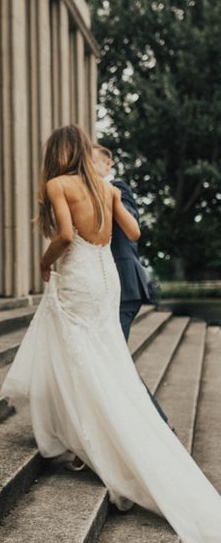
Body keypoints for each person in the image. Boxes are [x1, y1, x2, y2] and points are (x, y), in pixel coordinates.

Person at [1, 125, 221, 543]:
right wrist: (111, 206)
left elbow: (64, 236)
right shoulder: (106, 186)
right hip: (106, 277)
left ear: (56, 153)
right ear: (84, 150)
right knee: (105, 358)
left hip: (78, 271)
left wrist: (45, 265)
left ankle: (95, 439)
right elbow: (134, 234)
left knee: (83, 360)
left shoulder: (57, 184)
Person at [91, 144, 169, 424]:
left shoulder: (118, 187)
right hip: (101, 285)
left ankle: (154, 426)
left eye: (92, 163)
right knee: (111, 360)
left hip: (125, 285)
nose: (87, 169)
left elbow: (132, 231)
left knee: (113, 361)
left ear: (108, 165)